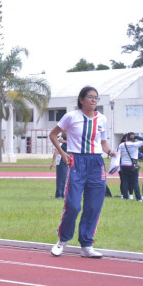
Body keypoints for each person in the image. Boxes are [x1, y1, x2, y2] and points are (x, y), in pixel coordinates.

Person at [48, 86, 116, 259]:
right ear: (81, 99)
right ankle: (62, 240)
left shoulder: (102, 119)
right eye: (90, 97)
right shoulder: (71, 117)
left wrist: (110, 153)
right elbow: (53, 134)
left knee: (93, 206)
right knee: (73, 205)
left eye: (96, 98)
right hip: (77, 161)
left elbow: (104, 143)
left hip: (96, 162)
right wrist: (63, 154)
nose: (94, 100)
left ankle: (86, 245)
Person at [117, 132, 143, 201]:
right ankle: (138, 198)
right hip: (133, 165)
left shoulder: (121, 145)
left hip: (123, 165)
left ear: (126, 138)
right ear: (132, 138)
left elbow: (117, 152)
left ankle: (125, 196)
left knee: (125, 181)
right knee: (135, 182)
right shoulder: (135, 144)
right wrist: (137, 137)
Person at [50, 132, 68, 199]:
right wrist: (53, 162)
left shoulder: (66, 140)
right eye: (65, 131)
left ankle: (63, 194)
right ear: (63, 133)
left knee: (65, 179)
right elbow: (55, 152)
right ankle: (58, 194)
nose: (67, 133)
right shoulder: (60, 141)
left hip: (66, 161)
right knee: (61, 178)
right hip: (61, 161)